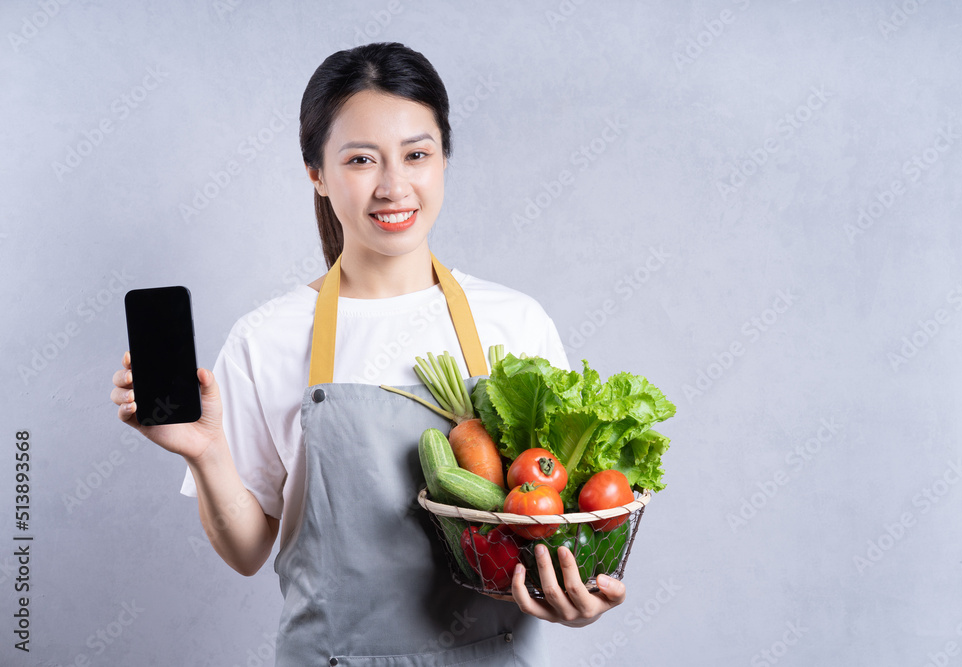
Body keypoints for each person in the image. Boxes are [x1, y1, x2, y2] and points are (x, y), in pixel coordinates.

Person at [111, 42, 626, 665]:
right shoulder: (265, 339)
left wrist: (581, 595)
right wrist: (204, 452)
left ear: (444, 160)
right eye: (361, 159)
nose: (394, 185)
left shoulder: (515, 323)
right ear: (317, 174)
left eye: (417, 154)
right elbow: (247, 552)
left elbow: (561, 523)